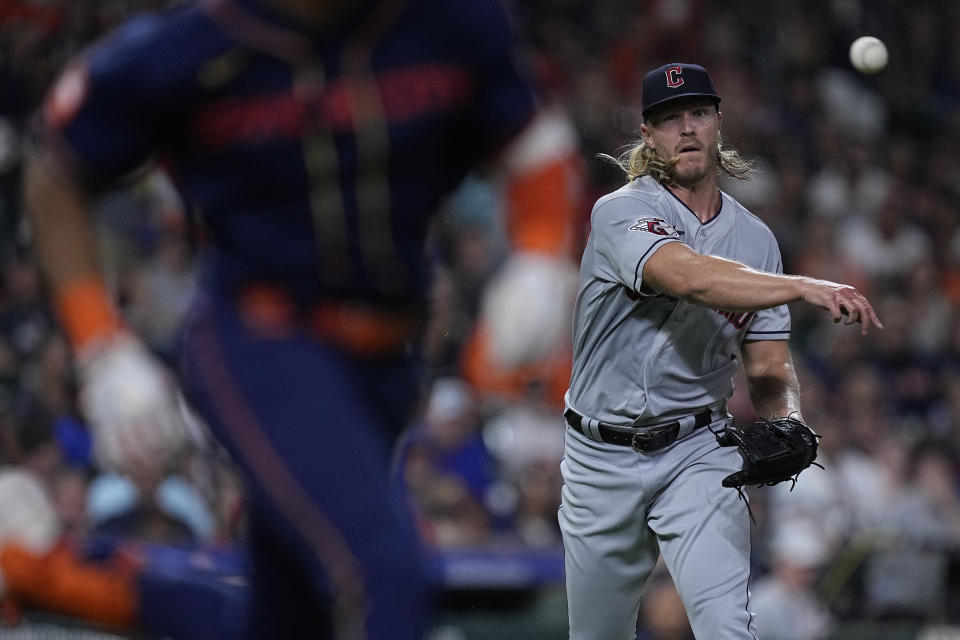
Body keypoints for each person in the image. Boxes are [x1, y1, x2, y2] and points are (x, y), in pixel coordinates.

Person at [22, 0, 578, 636]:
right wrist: (101, 345)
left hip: (387, 356)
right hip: (258, 340)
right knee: (385, 573)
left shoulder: (449, 23)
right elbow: (56, 171)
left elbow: (535, 141)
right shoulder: (189, 46)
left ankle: (77, 587)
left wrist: (541, 254)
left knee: (290, 616)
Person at [558, 62, 883, 639]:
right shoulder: (620, 211)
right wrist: (809, 285)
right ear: (648, 133)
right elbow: (687, 276)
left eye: (698, 113)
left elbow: (767, 362)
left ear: (717, 123)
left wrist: (787, 418)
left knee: (728, 628)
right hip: (598, 456)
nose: (685, 128)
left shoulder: (756, 239)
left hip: (696, 451)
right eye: (669, 118)